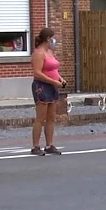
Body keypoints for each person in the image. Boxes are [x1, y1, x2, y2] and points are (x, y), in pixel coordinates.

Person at [30, 27, 66, 156]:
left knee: (51, 117)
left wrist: (60, 79)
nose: (54, 40)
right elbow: (37, 73)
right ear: (47, 38)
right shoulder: (39, 53)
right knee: (41, 117)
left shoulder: (50, 52)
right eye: (52, 38)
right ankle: (35, 146)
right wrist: (53, 81)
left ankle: (49, 145)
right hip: (42, 86)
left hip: (52, 86)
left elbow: (54, 69)